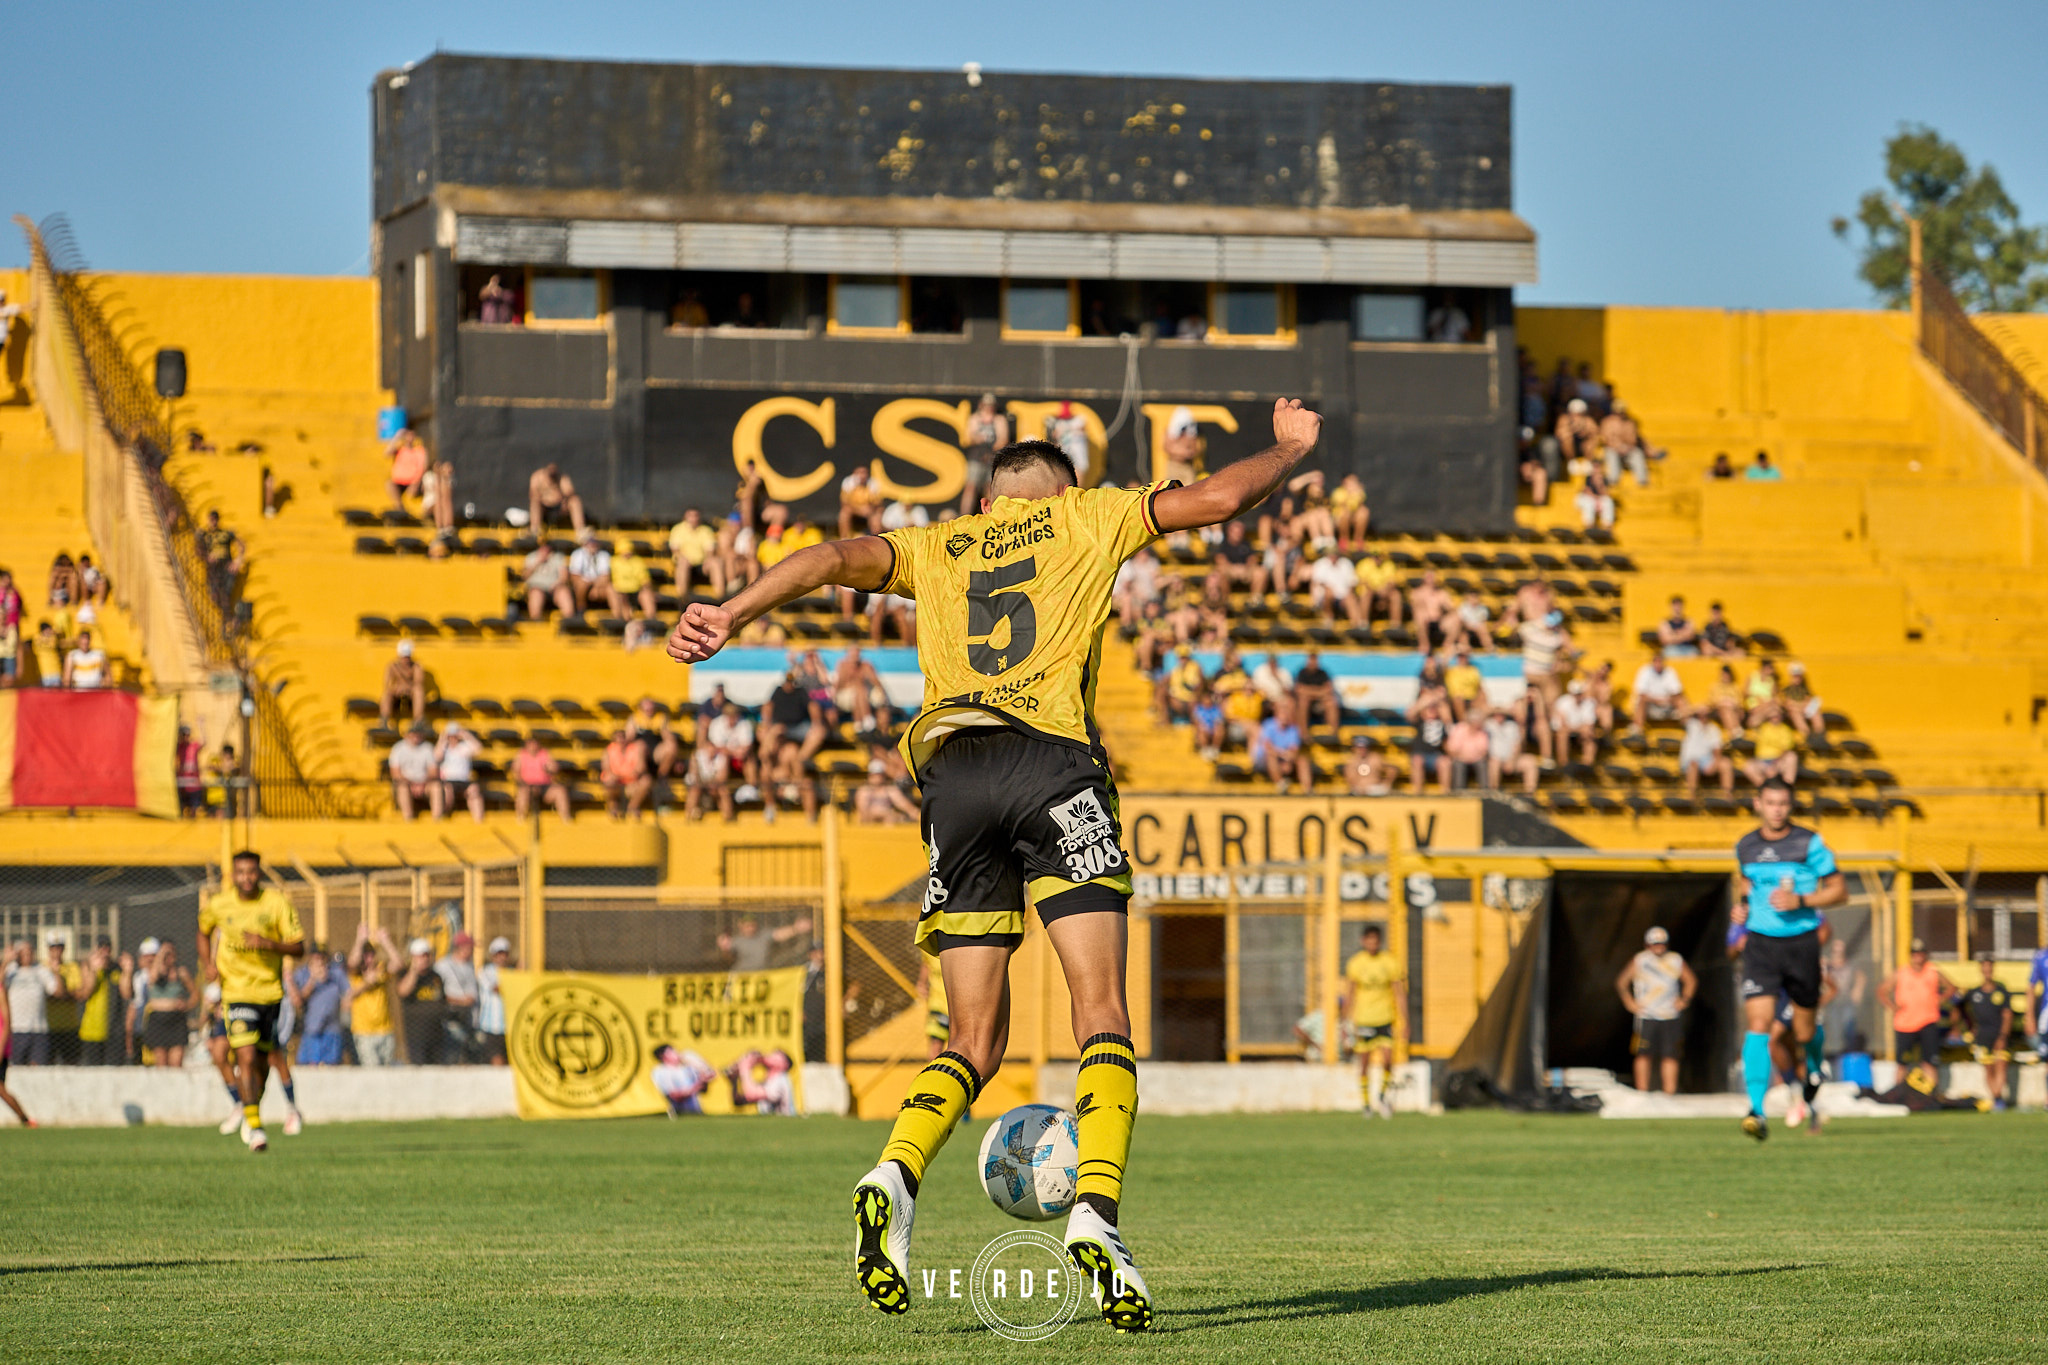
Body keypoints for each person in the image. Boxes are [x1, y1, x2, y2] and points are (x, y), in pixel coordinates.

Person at [667, 396, 1328, 1331]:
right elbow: (1220, 500)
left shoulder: (937, 544)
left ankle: (892, 1175)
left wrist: (729, 610)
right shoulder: (1091, 515)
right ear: (1064, 491)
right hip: (1051, 761)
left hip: (952, 778)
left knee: (971, 1041)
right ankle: (1095, 1214)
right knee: (1100, 1010)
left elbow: (826, 559)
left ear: (987, 504)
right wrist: (1291, 449)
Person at [1733, 778, 1845, 1142]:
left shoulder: (1808, 843)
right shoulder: (1746, 846)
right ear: (1758, 804)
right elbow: (1747, 886)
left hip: (1801, 945)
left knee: (1803, 1032)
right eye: (1771, 802)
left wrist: (1802, 901)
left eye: (1783, 803)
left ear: (1790, 806)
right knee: (1759, 1025)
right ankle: (1756, 1111)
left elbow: (1839, 891)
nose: (1777, 809)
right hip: (1761, 946)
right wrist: (1743, 908)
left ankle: (1814, 1067)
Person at [197, 851, 307, 1151]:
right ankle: (256, 1128)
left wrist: (269, 944)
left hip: (270, 993)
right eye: (240, 872)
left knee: (263, 1062)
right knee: (243, 1056)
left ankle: (249, 1110)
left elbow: (299, 947)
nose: (246, 877)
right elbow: (203, 930)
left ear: (259, 873)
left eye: (252, 872)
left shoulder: (276, 904)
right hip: (236, 993)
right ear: (233, 875)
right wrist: (208, 962)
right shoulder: (219, 904)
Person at [1616, 927, 1697, 1095]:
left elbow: (1690, 981)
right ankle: (1642, 1093)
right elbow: (1622, 982)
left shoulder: (1675, 959)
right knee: (1643, 1054)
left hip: (1670, 1015)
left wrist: (1684, 1000)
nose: (1658, 947)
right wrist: (1629, 1002)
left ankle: (1669, 1093)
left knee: (1671, 1055)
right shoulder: (1640, 960)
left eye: (1662, 943)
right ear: (1647, 945)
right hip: (1646, 1015)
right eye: (1655, 943)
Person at [1341, 925, 1407, 1119]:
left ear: (1379, 941)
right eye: (1369, 940)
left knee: (1388, 1060)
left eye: (1375, 940)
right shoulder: (1356, 963)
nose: (1372, 943)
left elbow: (1399, 994)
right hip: (1364, 1020)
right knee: (1364, 1063)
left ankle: (1382, 1096)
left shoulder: (1390, 962)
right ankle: (1366, 1104)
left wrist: (1406, 1022)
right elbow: (1350, 994)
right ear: (1363, 941)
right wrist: (1344, 1023)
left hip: (1385, 1019)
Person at [1880, 938, 1953, 1087]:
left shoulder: (1932, 971)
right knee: (1902, 1062)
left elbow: (1951, 987)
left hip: (1928, 1021)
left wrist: (1940, 999)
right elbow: (1882, 991)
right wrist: (1893, 1007)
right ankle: (1898, 1093)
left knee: (1929, 1062)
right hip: (1905, 1024)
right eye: (1915, 953)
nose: (1918, 956)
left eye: (1920, 953)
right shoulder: (1901, 972)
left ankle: (1931, 1094)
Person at [1955, 956, 2013, 1110]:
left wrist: (2003, 1035)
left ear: (1992, 969)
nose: (1987, 971)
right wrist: (1968, 1027)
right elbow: (1959, 1008)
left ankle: (1998, 1098)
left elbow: (2007, 1016)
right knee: (1988, 1068)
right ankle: (1997, 1098)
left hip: (1999, 1034)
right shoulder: (1974, 993)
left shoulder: (2001, 991)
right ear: (1981, 970)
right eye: (1984, 967)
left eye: (1989, 967)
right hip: (1982, 1036)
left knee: (2001, 1066)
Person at [347, 925, 401, 1067]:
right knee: (372, 1069)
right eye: (365, 954)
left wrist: (385, 941)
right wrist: (360, 940)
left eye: (371, 954)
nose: (369, 958)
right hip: (364, 1031)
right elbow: (352, 963)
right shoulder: (355, 975)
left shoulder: (380, 971)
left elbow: (397, 963)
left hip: (385, 1030)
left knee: (387, 1070)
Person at [287, 948, 348, 1066]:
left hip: (332, 1031)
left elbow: (348, 994)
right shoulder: (304, 975)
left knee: (332, 1066)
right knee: (310, 1066)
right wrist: (313, 979)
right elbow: (299, 1000)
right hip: (312, 1031)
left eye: (321, 960)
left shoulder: (335, 975)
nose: (320, 965)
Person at [138, 941, 194, 1068]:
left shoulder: (181, 973)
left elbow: (195, 994)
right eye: (165, 954)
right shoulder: (153, 972)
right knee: (161, 1064)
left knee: (176, 1063)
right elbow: (152, 977)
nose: (169, 957)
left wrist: (187, 1004)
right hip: (158, 1021)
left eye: (171, 954)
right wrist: (161, 952)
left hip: (176, 1021)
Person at [4, 938, 56, 1066]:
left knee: (37, 1067)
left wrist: (56, 971)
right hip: (17, 1029)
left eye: (30, 952)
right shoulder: (11, 970)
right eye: (23, 952)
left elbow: (55, 990)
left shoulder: (41, 970)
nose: (27, 955)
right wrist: (5, 961)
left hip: (38, 1029)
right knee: (16, 1067)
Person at [396, 937, 447, 1065]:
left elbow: (441, 1000)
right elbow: (403, 991)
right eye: (421, 956)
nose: (425, 959)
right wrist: (414, 970)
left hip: (436, 1034)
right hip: (416, 1035)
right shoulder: (405, 974)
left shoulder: (436, 977)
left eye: (427, 955)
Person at [960, 394, 1009, 515]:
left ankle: (989, 515)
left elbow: (1003, 439)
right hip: (976, 457)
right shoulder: (974, 419)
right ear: (981, 405)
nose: (989, 408)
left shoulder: (999, 420)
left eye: (991, 405)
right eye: (986, 405)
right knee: (971, 487)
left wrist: (989, 446)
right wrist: (981, 441)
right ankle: (964, 516)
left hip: (992, 458)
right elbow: (970, 437)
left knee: (989, 488)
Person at [435, 934, 482, 1063]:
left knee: (472, 1058)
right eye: (469, 947)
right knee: (453, 1056)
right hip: (453, 1019)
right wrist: (461, 1001)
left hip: (472, 1020)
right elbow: (437, 994)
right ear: (460, 947)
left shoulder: (469, 966)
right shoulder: (443, 965)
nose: (471, 951)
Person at [1253, 697, 1314, 794]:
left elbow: (1293, 750)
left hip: (1284, 758)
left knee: (1302, 760)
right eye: (1282, 713)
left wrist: (1287, 760)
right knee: (1271, 757)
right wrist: (1283, 755)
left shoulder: (1293, 729)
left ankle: (1308, 790)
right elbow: (1267, 747)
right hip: (1266, 760)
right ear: (1277, 714)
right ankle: (1281, 785)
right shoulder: (1268, 725)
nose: (1285, 716)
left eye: (1287, 713)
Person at [719, 914, 813, 973]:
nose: (750, 928)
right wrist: (724, 949)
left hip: (763, 974)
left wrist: (796, 928)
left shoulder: (763, 935)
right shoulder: (737, 941)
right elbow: (727, 959)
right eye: (747, 925)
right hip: (743, 975)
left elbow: (779, 934)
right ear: (741, 926)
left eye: (752, 925)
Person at [513, 736, 573, 824]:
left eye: (535, 744)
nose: (533, 747)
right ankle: (521, 816)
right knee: (523, 792)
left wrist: (552, 768)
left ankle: (565, 817)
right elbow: (515, 770)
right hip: (528, 786)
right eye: (531, 745)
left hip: (545, 786)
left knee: (560, 790)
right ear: (527, 745)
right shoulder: (521, 755)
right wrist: (521, 782)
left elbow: (554, 768)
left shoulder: (544, 753)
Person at [0, 970, 33, 1125]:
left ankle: (25, 1119)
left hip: (1, 1046)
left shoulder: (0, 991)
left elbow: (7, 1023)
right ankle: (25, 1120)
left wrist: (1, 1048)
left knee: (1, 1089)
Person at [435, 722, 486, 822]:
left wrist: (466, 735)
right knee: (446, 792)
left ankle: (479, 820)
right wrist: (441, 740)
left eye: (455, 736)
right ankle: (444, 816)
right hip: (448, 780)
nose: (453, 738)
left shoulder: (464, 747)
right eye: (451, 736)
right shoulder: (444, 748)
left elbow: (479, 749)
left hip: (464, 780)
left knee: (475, 791)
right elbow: (436, 757)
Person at [1679, 705, 1734, 797]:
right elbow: (1681, 715)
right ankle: (1691, 795)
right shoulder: (1691, 724)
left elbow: (1717, 749)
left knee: (1726, 763)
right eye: (1701, 715)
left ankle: (1727, 794)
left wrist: (1715, 763)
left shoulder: (1713, 729)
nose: (1703, 717)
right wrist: (1694, 710)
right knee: (1693, 764)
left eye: (1706, 714)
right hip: (1690, 759)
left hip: (1706, 759)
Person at [669, 508, 723, 601]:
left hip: (701, 563)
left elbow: (710, 550)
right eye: (690, 515)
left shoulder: (705, 530)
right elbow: (675, 549)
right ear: (685, 517)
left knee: (716, 562)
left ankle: (720, 595)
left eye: (695, 516)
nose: (693, 518)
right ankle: (682, 596)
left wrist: (708, 560)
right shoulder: (678, 529)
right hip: (684, 562)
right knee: (683, 563)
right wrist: (684, 558)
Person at [387, 723, 438, 821]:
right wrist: (412, 784)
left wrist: (422, 783)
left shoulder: (428, 748)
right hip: (406, 783)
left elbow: (433, 772)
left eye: (418, 734)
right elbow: (395, 773)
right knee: (402, 787)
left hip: (425, 783)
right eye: (413, 734)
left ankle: (437, 819)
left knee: (436, 787)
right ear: (407, 735)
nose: (415, 737)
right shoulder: (398, 749)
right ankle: (408, 818)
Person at [600, 729, 653, 820]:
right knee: (609, 781)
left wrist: (626, 776)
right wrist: (626, 775)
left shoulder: (635, 748)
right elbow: (607, 770)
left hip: (632, 783)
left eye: (623, 737)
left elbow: (641, 768)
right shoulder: (609, 750)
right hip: (617, 783)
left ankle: (632, 807)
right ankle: (613, 809)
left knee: (646, 780)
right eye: (618, 737)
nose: (621, 740)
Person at [1629, 651, 1686, 735]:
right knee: (1641, 701)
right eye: (1656, 661)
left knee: (1681, 701)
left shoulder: (1670, 672)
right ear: (1652, 662)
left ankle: (1688, 727)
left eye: (1660, 661)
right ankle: (1637, 728)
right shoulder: (1644, 671)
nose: (1658, 664)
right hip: (1651, 707)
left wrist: (1666, 700)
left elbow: (1677, 693)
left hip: (1667, 705)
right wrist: (1658, 701)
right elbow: (1642, 694)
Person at [475, 937, 512, 1065]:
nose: (501, 957)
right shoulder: (485, 972)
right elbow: (495, 988)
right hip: (491, 1027)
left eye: (504, 954)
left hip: (509, 1026)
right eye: (498, 954)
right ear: (492, 956)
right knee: (497, 1061)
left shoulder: (512, 972)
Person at [521, 542, 576, 620]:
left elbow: (564, 576)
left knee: (564, 592)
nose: (545, 551)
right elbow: (524, 576)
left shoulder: (558, 557)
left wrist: (556, 585)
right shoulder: (531, 557)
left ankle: (569, 620)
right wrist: (537, 562)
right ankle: (536, 619)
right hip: (537, 586)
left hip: (555, 587)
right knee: (536, 593)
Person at [528, 463, 587, 535]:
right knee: (535, 502)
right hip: (544, 508)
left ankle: (580, 530)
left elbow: (570, 493)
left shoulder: (562, 478)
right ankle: (535, 529)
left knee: (575, 501)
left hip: (560, 507)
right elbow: (533, 494)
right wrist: (546, 499)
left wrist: (564, 502)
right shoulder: (537, 477)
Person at [853, 759, 919, 824]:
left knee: (893, 817)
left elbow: (903, 804)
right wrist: (880, 813)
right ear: (869, 775)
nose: (877, 777)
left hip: (888, 820)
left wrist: (914, 812)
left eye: (879, 774)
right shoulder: (864, 791)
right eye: (874, 774)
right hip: (869, 822)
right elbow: (863, 812)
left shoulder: (890, 790)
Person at [566, 530, 612, 615]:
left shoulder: (604, 555)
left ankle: (616, 615)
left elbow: (606, 576)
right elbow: (574, 576)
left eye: (594, 542)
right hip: (584, 584)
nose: (593, 545)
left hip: (599, 586)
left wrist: (595, 586)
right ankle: (580, 609)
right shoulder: (577, 554)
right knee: (582, 584)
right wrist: (589, 583)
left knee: (612, 589)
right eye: (590, 542)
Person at [386, 429, 429, 512]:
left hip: (414, 482)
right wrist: (397, 436)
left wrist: (416, 484)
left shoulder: (420, 450)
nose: (410, 437)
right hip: (400, 482)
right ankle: (400, 508)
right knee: (389, 484)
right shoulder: (400, 449)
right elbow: (387, 453)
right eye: (408, 435)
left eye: (412, 435)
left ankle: (426, 510)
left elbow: (423, 468)